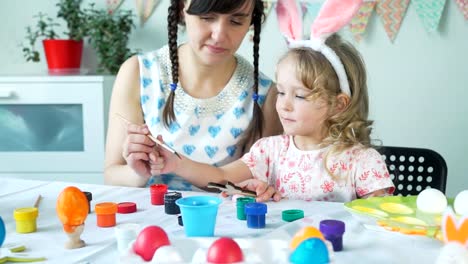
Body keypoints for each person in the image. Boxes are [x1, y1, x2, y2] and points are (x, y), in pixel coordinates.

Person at [153, 33, 395, 202]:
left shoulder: (361, 161)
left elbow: (381, 221)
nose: (284, 105)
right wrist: (176, 164)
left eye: (300, 96)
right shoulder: (269, 152)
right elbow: (221, 178)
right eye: (281, 92)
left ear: (338, 105)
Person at [104, 0, 282, 189]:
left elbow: (250, 185)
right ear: (182, 9)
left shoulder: (266, 95)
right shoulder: (138, 73)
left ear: (251, 22)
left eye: (236, 21)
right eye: (206, 17)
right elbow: (112, 174)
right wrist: (139, 172)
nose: (219, 35)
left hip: (220, 217)